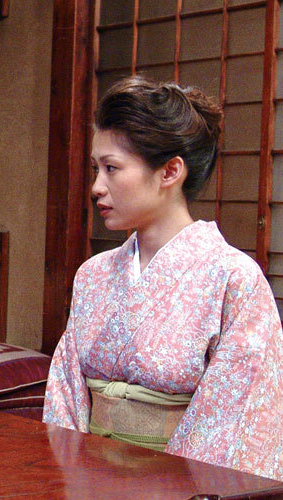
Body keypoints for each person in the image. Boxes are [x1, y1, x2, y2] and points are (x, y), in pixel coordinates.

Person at [43, 76, 283, 480]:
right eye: (96, 169)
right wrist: (69, 477)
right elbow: (65, 396)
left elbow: (236, 416)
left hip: (179, 484)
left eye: (112, 168)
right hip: (87, 480)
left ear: (170, 171)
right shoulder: (93, 274)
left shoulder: (234, 279)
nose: (96, 187)